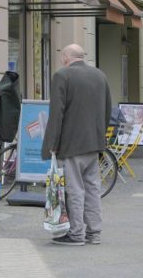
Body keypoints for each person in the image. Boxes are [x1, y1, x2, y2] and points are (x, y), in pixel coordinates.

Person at [40, 44, 111, 246]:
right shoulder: (99, 75)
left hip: (71, 145)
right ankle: (94, 232)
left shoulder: (62, 76)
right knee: (92, 189)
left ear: (65, 57)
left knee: (75, 190)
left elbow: (56, 114)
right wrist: (99, 137)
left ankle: (76, 233)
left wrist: (51, 144)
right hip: (94, 144)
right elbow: (106, 110)